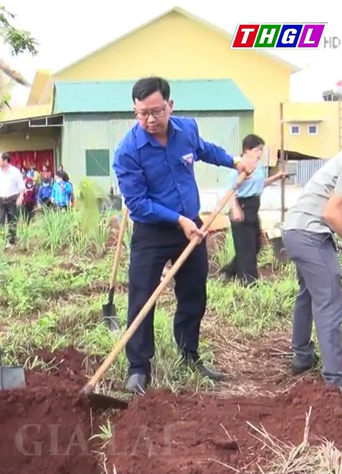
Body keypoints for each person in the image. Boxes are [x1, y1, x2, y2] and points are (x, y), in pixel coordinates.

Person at [112, 76, 258, 395]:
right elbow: (136, 202)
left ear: (170, 106)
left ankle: (188, 356)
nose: (150, 119)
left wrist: (234, 161)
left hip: (191, 227)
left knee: (193, 293)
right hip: (152, 231)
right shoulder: (127, 152)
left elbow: (204, 150)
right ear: (134, 112)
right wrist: (177, 219)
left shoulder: (186, 129)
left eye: (156, 111)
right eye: (142, 113)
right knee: (142, 297)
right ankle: (138, 368)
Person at [281, 145, 342, 400]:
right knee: (331, 298)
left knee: (310, 295)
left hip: (296, 229)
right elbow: (333, 214)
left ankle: (302, 356)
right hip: (311, 233)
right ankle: (336, 378)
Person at [222, 134, 286, 284]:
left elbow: (258, 185)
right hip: (240, 207)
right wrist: (235, 209)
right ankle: (250, 281)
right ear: (247, 150)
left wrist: (276, 177)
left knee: (255, 245)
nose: (260, 153)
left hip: (253, 207)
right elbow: (230, 191)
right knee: (246, 247)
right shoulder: (239, 169)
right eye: (257, 150)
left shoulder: (256, 169)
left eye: (261, 150)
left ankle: (230, 271)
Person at [0, 152, 25, 246]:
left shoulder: (15, 172)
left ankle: (12, 241)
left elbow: (21, 186)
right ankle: (2, 241)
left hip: (12, 199)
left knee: (12, 220)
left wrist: (21, 197)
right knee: (0, 220)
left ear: (5, 160)